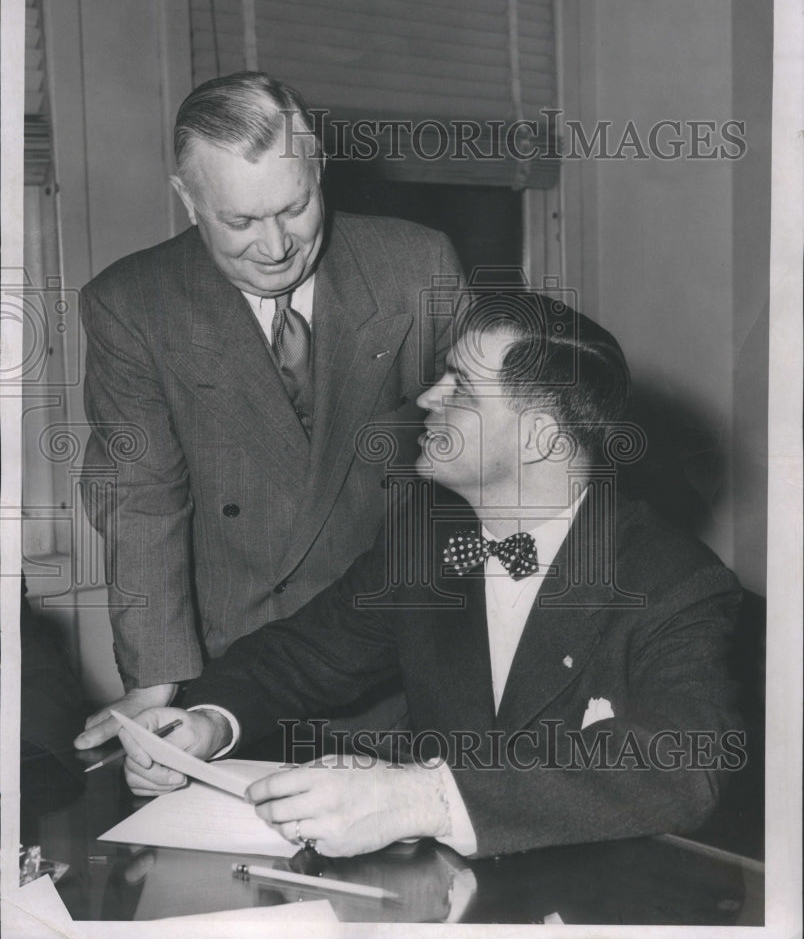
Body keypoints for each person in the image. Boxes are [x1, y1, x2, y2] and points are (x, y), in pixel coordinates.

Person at [116, 293, 743, 859]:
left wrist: (419, 800)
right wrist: (206, 724)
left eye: (461, 387)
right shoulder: (428, 545)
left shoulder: (674, 580)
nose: (425, 399)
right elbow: (299, 656)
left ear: (544, 439)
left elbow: (686, 763)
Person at [74, 72, 464, 749]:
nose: (277, 245)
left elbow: (479, 462)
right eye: (241, 221)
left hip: (400, 659)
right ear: (189, 202)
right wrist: (159, 680)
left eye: (295, 206)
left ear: (319, 170)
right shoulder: (133, 306)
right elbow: (141, 501)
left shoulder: (416, 267)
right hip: (233, 676)